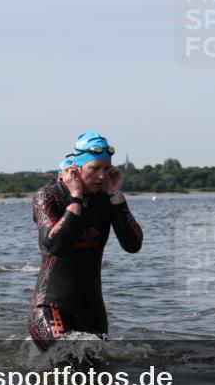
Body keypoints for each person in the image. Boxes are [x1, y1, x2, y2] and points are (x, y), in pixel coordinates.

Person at [28, 131, 143, 350]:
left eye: (107, 169)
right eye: (94, 168)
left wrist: (117, 194)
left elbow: (133, 245)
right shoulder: (49, 195)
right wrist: (76, 198)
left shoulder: (106, 199)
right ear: (75, 168)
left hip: (92, 311)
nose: (102, 176)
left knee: (96, 377)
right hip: (50, 308)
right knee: (68, 359)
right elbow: (55, 246)